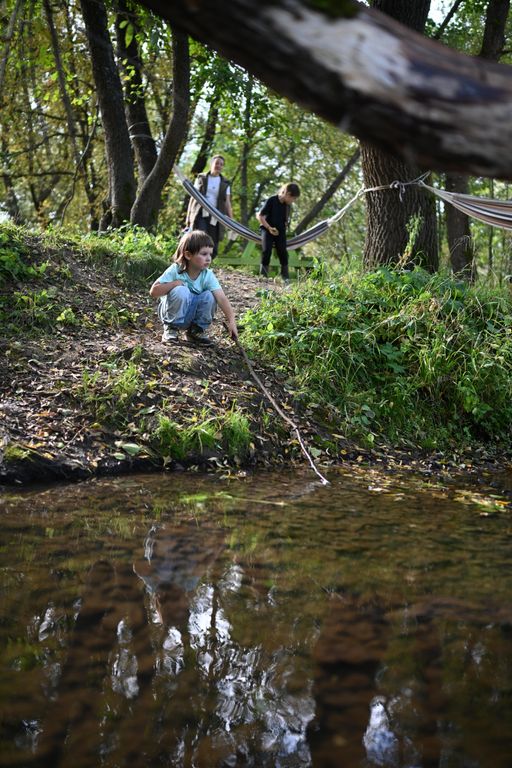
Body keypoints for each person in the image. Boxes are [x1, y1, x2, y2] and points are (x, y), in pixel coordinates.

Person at [149, 230, 238, 346]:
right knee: (181, 291)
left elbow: (221, 298)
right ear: (188, 255)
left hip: (191, 317)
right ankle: (171, 330)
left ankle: (196, 332)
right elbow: (153, 291)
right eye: (204, 254)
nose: (208, 258)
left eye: (210, 254)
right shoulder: (175, 270)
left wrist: (231, 321)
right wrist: (174, 284)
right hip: (173, 314)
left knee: (210, 296)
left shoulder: (207, 275)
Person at [186, 155, 233, 258]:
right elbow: (193, 197)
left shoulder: (225, 183)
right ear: (212, 164)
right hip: (201, 213)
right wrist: (188, 217)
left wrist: (231, 220)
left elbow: (227, 202)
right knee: (201, 236)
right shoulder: (201, 178)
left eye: (221, 164)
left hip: (216, 215)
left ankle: (208, 261)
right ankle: (196, 259)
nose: (219, 166)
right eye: (217, 163)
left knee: (213, 242)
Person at [256, 182, 301, 280]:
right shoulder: (272, 200)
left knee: (283, 252)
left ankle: (285, 277)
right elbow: (260, 216)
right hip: (267, 229)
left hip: (280, 232)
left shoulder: (287, 206)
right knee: (267, 250)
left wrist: (284, 225)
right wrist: (269, 228)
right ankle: (263, 275)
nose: (293, 201)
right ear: (288, 194)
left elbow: (284, 221)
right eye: (293, 198)